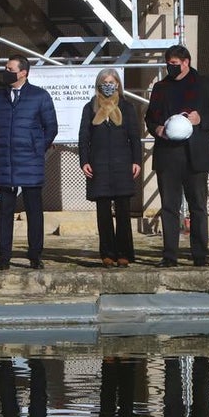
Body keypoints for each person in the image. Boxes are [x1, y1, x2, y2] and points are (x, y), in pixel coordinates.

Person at [144, 45, 209, 267]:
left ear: (186, 62)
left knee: (198, 206)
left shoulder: (205, 84)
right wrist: (157, 129)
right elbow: (150, 118)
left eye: (175, 64)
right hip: (168, 156)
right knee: (169, 207)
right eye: (168, 64)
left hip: (195, 156)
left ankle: (200, 256)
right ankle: (170, 256)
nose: (171, 68)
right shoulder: (161, 88)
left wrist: (201, 120)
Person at [0, 54, 57, 270]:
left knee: (34, 211)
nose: (6, 71)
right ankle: (3, 258)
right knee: (5, 212)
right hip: (6, 161)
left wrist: (38, 148)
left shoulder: (39, 96)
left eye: (10, 68)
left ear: (23, 72)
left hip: (30, 162)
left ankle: (35, 255)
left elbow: (51, 127)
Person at [79, 67, 142, 267]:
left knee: (123, 212)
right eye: (104, 82)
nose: (108, 85)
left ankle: (124, 253)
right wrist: (84, 161)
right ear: (98, 85)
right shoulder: (90, 107)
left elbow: (134, 137)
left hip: (122, 164)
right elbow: (84, 138)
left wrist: (136, 161)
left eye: (112, 82)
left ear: (118, 84)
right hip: (99, 165)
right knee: (103, 212)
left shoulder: (127, 107)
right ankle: (107, 253)